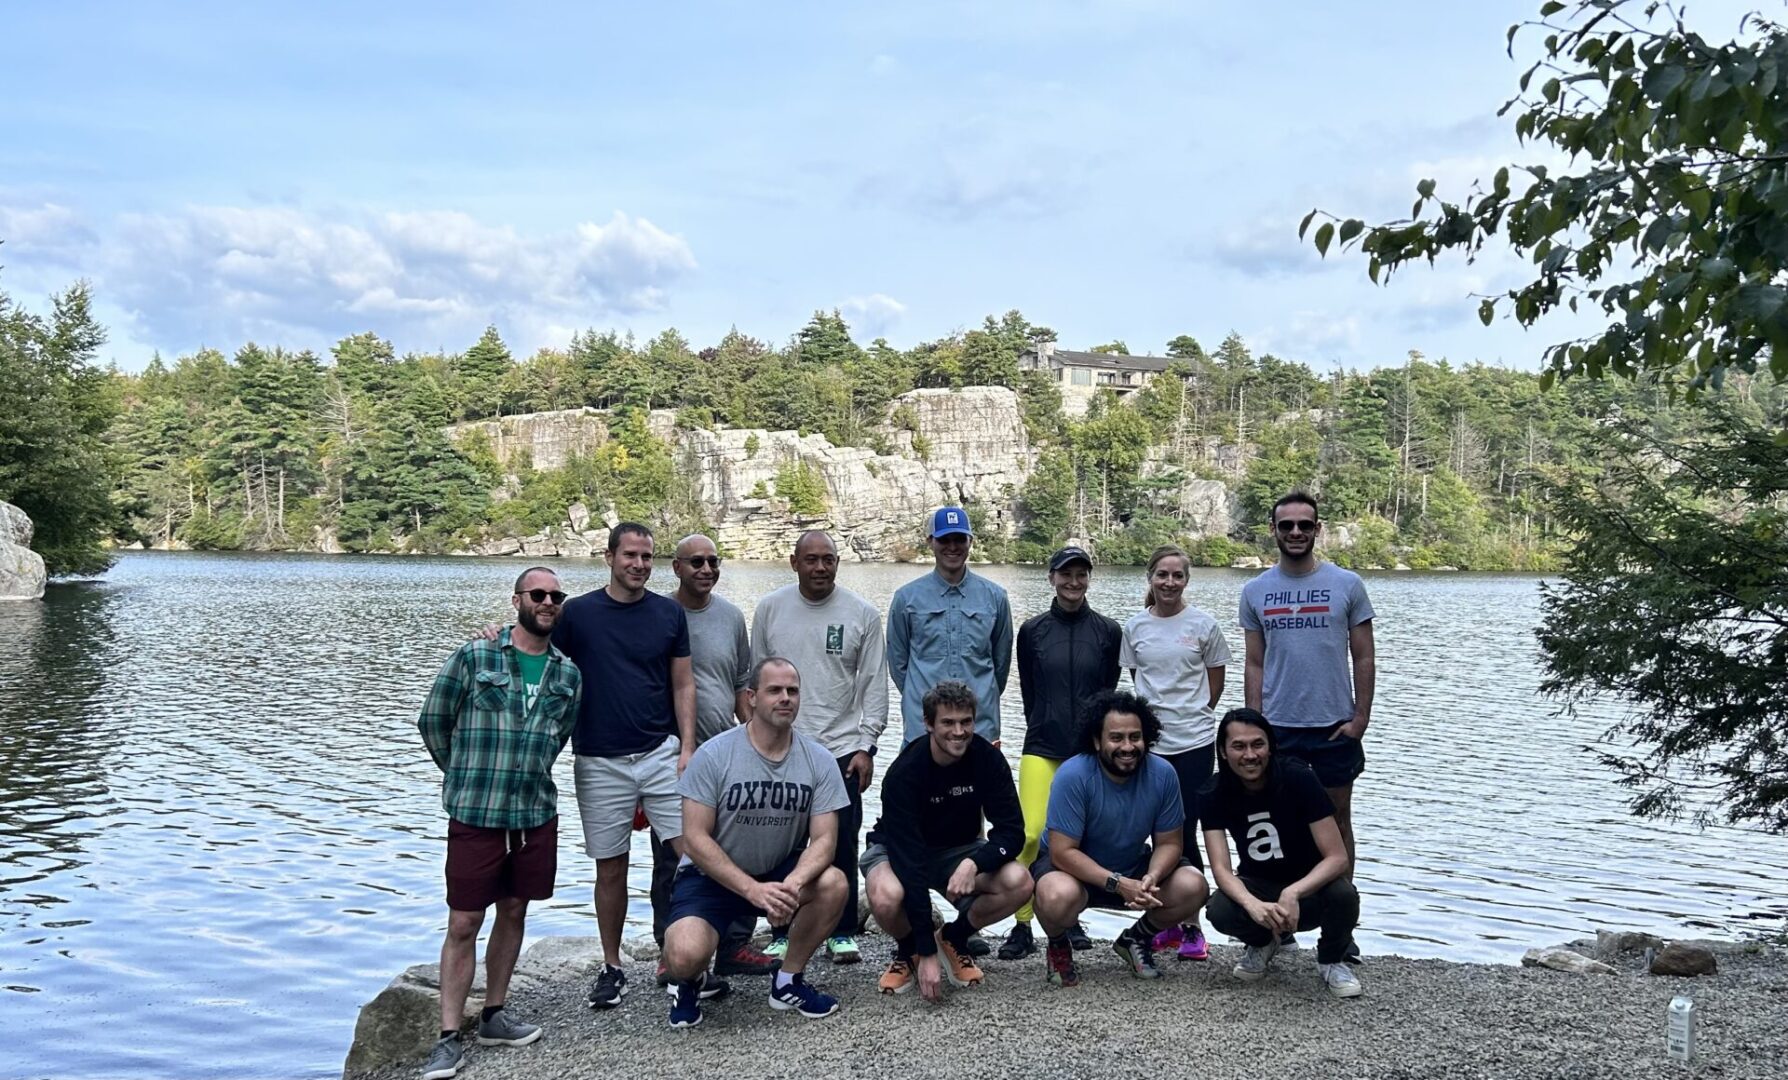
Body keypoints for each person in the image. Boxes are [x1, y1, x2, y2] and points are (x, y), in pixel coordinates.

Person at [416, 567, 582, 1080]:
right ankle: (448, 1037)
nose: (548, 601)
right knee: (464, 921)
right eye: (538, 594)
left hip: (534, 812)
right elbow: (433, 720)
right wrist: (463, 773)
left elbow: (559, 738)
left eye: (556, 595)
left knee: (514, 910)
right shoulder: (475, 655)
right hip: (476, 812)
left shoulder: (567, 674)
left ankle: (494, 1014)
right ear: (517, 601)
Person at [550, 522, 698, 1011]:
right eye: (630, 555)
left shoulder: (668, 613)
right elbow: (539, 655)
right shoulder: (578, 615)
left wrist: (687, 747)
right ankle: (612, 966)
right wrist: (495, 636)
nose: (639, 565)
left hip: (659, 751)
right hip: (598, 758)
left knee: (691, 855)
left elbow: (683, 685)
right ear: (610, 557)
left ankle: (687, 961)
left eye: (647, 557)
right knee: (610, 866)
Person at [662, 657, 852, 1027]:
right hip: (710, 876)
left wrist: (792, 886)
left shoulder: (819, 760)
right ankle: (691, 981)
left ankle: (787, 981)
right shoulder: (714, 755)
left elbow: (825, 841)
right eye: (775, 690)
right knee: (684, 954)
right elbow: (695, 840)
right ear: (751, 697)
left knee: (834, 883)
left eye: (792, 691)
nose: (785, 698)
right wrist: (752, 890)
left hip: (777, 869)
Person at [1239, 491, 1375, 957]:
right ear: (1273, 530)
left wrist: (1361, 717)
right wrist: (1254, 724)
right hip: (1278, 729)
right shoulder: (1256, 590)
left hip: (1333, 726)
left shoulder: (1347, 584)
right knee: (1279, 826)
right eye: (1286, 525)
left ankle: (1340, 928)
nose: (1295, 532)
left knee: (1337, 823)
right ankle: (1278, 924)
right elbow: (1254, 663)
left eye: (1304, 525)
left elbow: (1363, 654)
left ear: (1318, 529)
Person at [750, 530, 888, 965]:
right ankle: (781, 928)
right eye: (811, 560)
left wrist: (868, 744)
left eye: (828, 559)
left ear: (837, 563)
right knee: (782, 840)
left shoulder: (861, 613)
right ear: (794, 563)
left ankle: (842, 930)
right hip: (784, 744)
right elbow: (757, 679)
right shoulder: (771, 609)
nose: (820, 568)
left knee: (841, 840)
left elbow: (873, 684)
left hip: (842, 747)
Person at [654, 534, 775, 980]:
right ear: (677, 567)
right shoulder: (659, 613)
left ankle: (734, 944)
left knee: (739, 848)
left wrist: (753, 740)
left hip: (724, 751)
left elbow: (742, 682)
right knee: (674, 855)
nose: (706, 569)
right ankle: (672, 950)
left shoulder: (730, 616)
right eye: (696, 562)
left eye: (713, 562)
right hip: (673, 754)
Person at [862, 681, 1030, 1000]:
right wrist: (925, 953)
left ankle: (953, 938)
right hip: (899, 848)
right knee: (886, 895)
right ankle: (910, 949)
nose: (958, 731)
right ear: (928, 724)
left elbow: (1012, 832)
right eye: (948, 723)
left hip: (958, 849)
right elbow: (909, 865)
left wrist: (974, 862)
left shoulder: (988, 760)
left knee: (1019, 881)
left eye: (966, 721)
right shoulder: (904, 774)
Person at [1030, 691, 1210, 987]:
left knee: (1194, 885)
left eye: (1135, 737)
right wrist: (1117, 883)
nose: (1127, 747)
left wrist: (1152, 875)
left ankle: (1135, 939)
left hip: (1132, 865)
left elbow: (1170, 843)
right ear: (1097, 741)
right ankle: (1059, 943)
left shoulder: (1163, 774)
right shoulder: (1073, 775)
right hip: (1074, 872)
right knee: (1054, 895)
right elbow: (1062, 852)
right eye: (1116, 738)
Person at [1000, 545, 1121, 962]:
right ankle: (1021, 924)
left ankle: (1069, 919)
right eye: (1065, 574)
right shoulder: (1032, 630)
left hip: (1086, 752)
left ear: (1089, 579)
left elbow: (1108, 692)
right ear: (1051, 578)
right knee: (1031, 834)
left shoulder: (1108, 631)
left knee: (1075, 839)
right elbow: (1029, 690)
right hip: (1042, 744)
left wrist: (1098, 742)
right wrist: (1043, 722)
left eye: (1081, 574)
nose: (1073, 582)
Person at [1200, 708, 1362, 997]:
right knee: (1220, 909)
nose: (1250, 755)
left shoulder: (1299, 778)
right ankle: (1263, 942)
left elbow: (1337, 857)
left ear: (1271, 747)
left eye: (1257, 744)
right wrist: (1251, 904)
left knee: (1344, 895)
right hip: (1259, 881)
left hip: (1308, 886)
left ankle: (1331, 960)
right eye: (1238, 746)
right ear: (1223, 752)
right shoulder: (1213, 792)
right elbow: (1221, 870)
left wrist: (1294, 892)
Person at [1119, 543, 1230, 962]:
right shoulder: (1135, 628)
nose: (1169, 582)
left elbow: (1213, 682)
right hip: (1151, 746)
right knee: (1157, 832)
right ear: (1150, 578)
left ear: (1186, 580)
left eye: (1177, 575)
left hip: (1195, 744)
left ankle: (1192, 929)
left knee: (1187, 831)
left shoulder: (1203, 625)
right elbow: (1139, 679)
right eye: (1161, 575)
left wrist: (1195, 715)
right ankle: (1165, 921)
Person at [886, 506, 1013, 747]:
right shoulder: (906, 598)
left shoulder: (995, 597)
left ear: (970, 542)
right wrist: (921, 699)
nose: (952, 547)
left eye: (959, 539)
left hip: (979, 727)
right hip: (922, 728)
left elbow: (1001, 661)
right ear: (930, 542)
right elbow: (898, 662)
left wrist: (983, 697)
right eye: (944, 539)